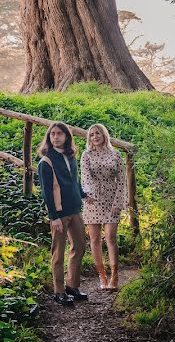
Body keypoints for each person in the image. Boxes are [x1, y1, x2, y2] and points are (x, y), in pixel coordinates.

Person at [37, 121, 88, 306]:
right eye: (52, 134)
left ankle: (72, 287)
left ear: (66, 137)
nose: (56, 137)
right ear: (49, 138)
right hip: (59, 213)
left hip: (75, 210)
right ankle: (59, 292)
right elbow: (46, 192)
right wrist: (54, 217)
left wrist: (83, 195)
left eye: (59, 134)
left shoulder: (70, 156)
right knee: (58, 253)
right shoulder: (46, 161)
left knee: (79, 247)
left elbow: (75, 180)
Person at [81, 123, 127, 291]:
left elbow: (121, 181)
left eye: (98, 133)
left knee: (110, 237)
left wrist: (118, 203)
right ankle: (102, 275)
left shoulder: (115, 155)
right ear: (89, 138)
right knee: (94, 239)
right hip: (92, 200)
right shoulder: (86, 155)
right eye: (92, 134)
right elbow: (85, 177)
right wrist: (89, 195)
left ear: (104, 135)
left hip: (111, 199)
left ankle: (115, 275)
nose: (95, 137)